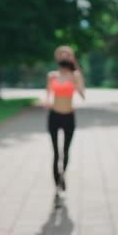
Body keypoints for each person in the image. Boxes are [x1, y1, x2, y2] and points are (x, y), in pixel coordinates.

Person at [45, 45, 85, 194]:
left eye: (67, 55)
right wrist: (47, 102)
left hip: (69, 116)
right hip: (54, 116)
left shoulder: (76, 75)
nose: (64, 57)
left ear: (71, 58)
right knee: (55, 152)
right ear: (57, 57)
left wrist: (76, 80)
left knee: (66, 151)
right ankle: (57, 183)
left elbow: (82, 95)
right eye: (62, 54)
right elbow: (48, 95)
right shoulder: (52, 76)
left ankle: (62, 176)